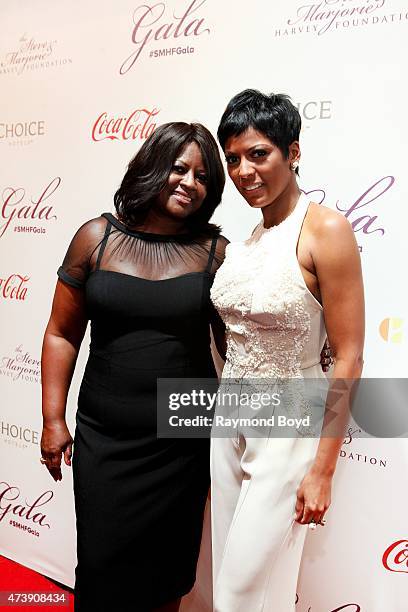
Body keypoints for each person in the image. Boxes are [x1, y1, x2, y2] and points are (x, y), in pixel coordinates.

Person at [40, 122, 228, 612]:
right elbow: (61, 333)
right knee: (102, 571)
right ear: (152, 166)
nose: (189, 182)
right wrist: (53, 419)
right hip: (106, 434)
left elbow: (240, 346)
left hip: (182, 439)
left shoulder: (216, 253)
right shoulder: (95, 238)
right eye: (179, 168)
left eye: (203, 176)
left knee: (167, 575)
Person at [210, 90, 364, 611]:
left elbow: (349, 356)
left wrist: (323, 469)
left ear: (293, 152)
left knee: (238, 594)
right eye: (233, 158)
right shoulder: (248, 239)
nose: (243, 171)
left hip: (288, 422)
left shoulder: (326, 230)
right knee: (252, 588)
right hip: (228, 416)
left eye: (258, 154)